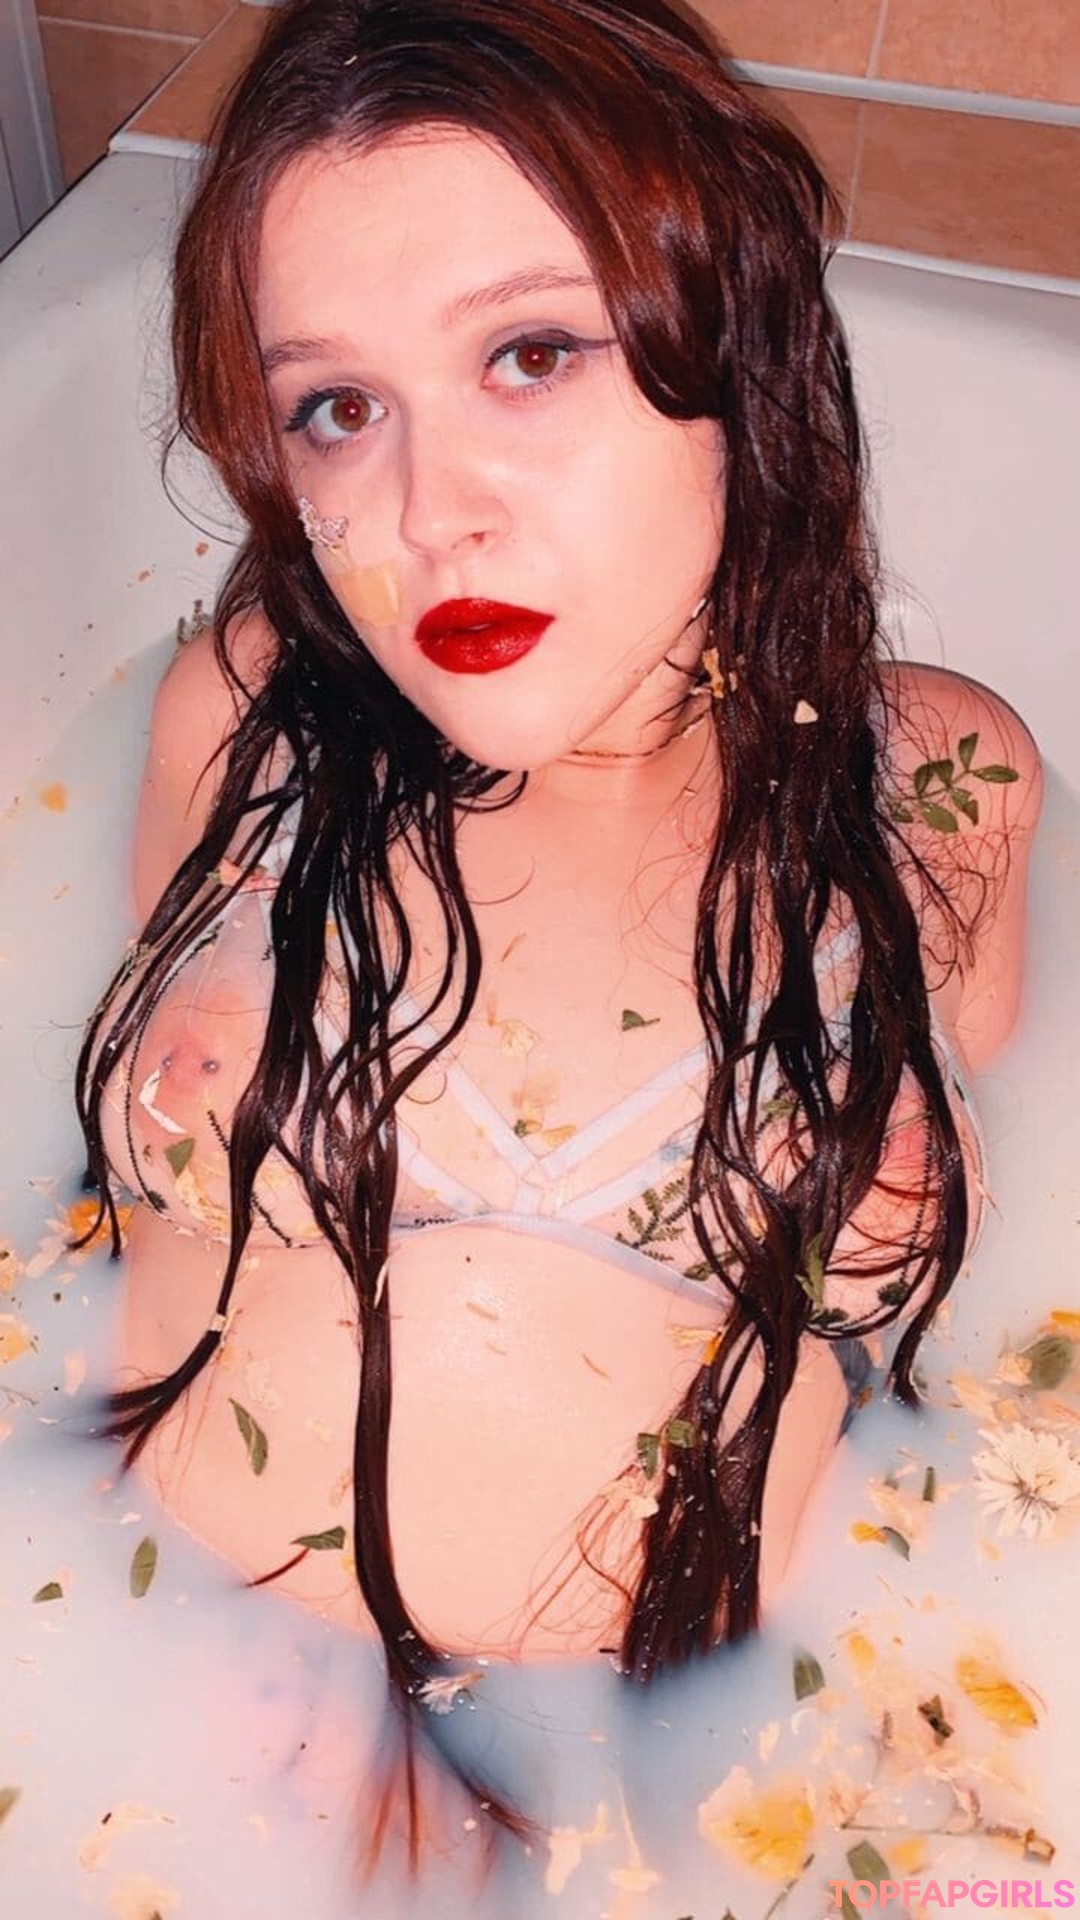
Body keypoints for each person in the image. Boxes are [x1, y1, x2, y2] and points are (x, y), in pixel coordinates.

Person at [76, 0, 1042, 1876]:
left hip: (703, 1794)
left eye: (530, 355)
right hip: (133, 1704)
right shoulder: (251, 717)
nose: (430, 516)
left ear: (730, 342)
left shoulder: (938, 792)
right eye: (340, 406)